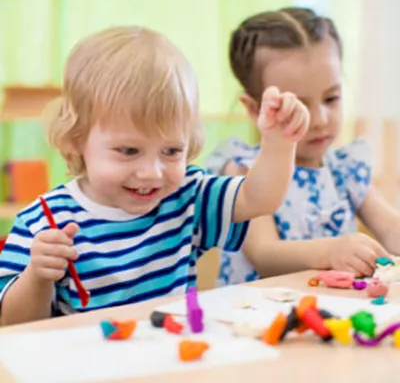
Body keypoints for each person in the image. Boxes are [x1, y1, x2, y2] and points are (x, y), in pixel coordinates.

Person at [0, 26, 309, 325]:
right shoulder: (43, 221)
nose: (152, 173)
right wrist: (37, 277)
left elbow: (260, 198)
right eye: (129, 151)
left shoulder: (186, 196)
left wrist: (279, 142)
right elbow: (12, 325)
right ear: (76, 138)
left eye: (171, 151)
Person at [206, 7, 396, 286]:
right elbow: (264, 254)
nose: (319, 120)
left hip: (333, 316)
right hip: (254, 319)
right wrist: (331, 250)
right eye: (298, 105)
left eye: (331, 99)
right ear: (254, 108)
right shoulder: (244, 169)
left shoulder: (343, 168)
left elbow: (391, 227)